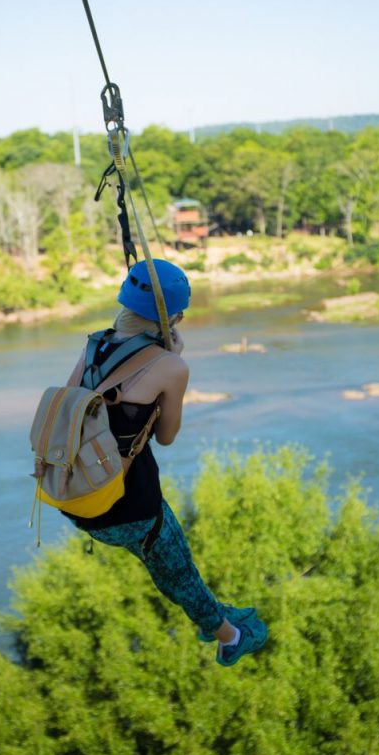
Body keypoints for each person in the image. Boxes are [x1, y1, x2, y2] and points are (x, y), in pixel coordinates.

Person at [64, 258, 267, 667]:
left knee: (169, 568)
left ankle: (214, 612)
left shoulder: (93, 347)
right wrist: (171, 362)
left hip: (77, 497)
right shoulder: (171, 365)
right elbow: (167, 436)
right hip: (131, 506)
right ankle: (231, 638)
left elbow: (72, 406)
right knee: (178, 572)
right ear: (172, 317)